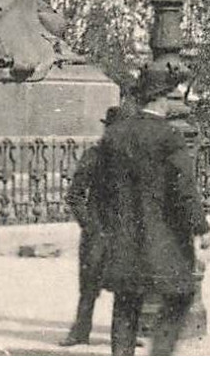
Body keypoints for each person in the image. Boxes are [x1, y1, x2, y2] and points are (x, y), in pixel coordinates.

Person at [92, 65, 210, 356]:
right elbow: (183, 188)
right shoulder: (169, 137)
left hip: (123, 237)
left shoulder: (114, 136)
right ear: (162, 98)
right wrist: (201, 227)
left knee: (125, 302)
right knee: (180, 295)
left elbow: (99, 191)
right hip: (163, 239)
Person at [61, 106, 123, 347]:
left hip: (124, 231)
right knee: (89, 283)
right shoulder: (94, 155)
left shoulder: (133, 158)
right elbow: (74, 195)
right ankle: (80, 331)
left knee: (127, 285)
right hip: (98, 230)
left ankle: (124, 334)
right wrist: (89, 224)